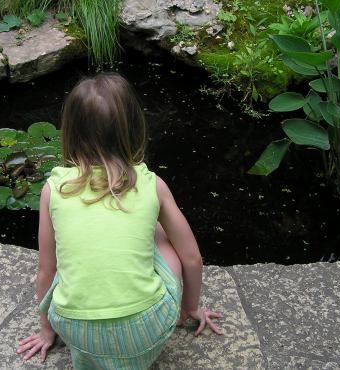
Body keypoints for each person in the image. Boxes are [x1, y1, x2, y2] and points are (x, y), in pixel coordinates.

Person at [16, 72, 223, 369]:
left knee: (71, 260)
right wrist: (190, 307)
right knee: (160, 232)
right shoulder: (152, 184)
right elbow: (192, 258)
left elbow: (47, 270)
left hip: (76, 330)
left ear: (70, 131)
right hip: (146, 331)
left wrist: (47, 331)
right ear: (133, 128)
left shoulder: (55, 188)